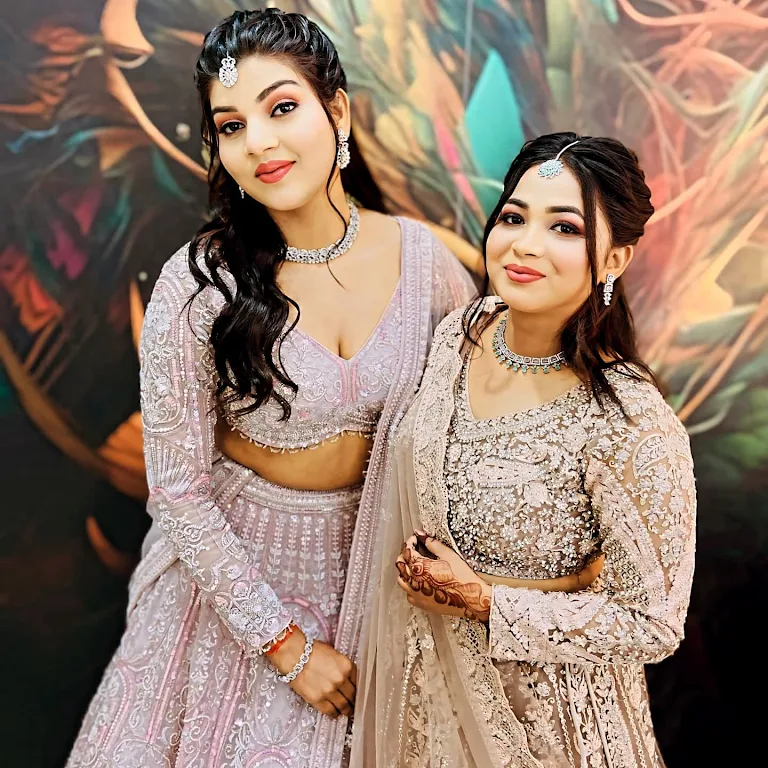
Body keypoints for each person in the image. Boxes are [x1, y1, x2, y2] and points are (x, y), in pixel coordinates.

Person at [65, 8, 480, 767]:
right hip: (229, 597)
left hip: (374, 588)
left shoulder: (430, 269)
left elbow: (469, 442)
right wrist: (286, 647)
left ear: (338, 112)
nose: (257, 142)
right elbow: (178, 493)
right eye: (232, 125)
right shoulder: (201, 285)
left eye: (281, 108)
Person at [355, 132, 697, 768]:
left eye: (564, 228)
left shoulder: (628, 421)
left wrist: (486, 602)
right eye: (513, 217)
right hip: (425, 711)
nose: (526, 245)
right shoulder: (461, 333)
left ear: (615, 259)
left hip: (549, 733)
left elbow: (653, 623)